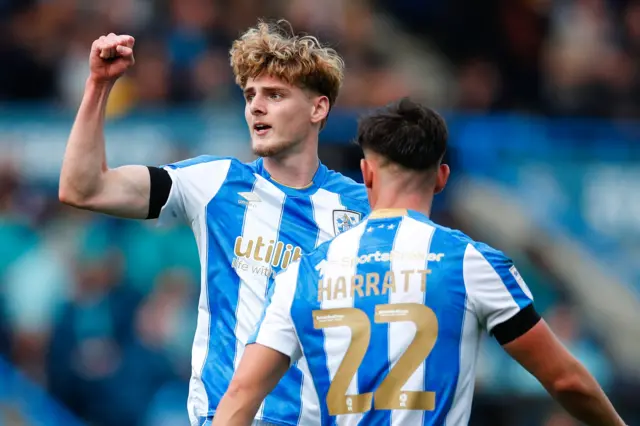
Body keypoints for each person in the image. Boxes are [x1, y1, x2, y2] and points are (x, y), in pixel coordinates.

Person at [212, 98, 627, 426]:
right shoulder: (472, 263)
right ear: (442, 177)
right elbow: (565, 380)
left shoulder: (301, 274)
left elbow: (240, 398)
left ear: (366, 174)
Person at [58, 19, 370, 426]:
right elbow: (83, 189)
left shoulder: (362, 207)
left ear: (318, 107)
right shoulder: (215, 182)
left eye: (275, 95)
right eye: (250, 95)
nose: (256, 106)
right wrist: (98, 85)